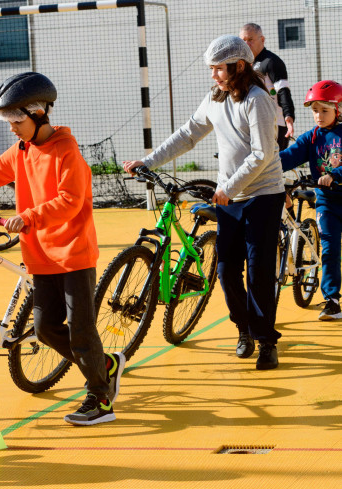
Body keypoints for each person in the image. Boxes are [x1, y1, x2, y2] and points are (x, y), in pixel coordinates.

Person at [0, 72, 126, 425]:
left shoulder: (66, 151)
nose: (12, 128)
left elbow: (69, 200)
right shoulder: (21, 150)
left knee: (81, 330)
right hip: (41, 255)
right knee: (46, 329)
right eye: (9, 122)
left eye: (17, 121)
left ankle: (100, 397)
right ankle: (103, 364)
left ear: (38, 114)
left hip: (73, 254)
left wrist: (29, 217)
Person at [123, 35, 285, 370]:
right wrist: (149, 161)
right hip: (231, 197)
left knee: (258, 272)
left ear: (238, 66)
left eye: (218, 69)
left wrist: (228, 186)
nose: (213, 75)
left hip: (264, 196)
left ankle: (266, 341)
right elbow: (188, 133)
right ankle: (244, 330)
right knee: (225, 272)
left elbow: (263, 153)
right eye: (211, 69)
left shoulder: (258, 100)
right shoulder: (215, 98)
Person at [278, 80, 342, 321]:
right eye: (315, 110)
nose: (318, 115)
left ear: (338, 109)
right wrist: (265, 165)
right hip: (327, 201)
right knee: (329, 248)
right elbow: (287, 157)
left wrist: (334, 175)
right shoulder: (311, 138)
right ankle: (333, 301)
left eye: (324, 110)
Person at [240, 23, 296, 149]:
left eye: (250, 40)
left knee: (274, 166)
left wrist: (289, 116)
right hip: (255, 124)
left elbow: (283, 91)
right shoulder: (244, 65)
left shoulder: (271, 62)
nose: (247, 44)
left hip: (276, 124)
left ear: (262, 39)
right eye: (243, 40)